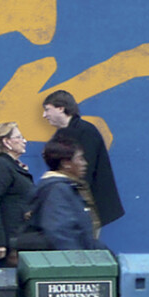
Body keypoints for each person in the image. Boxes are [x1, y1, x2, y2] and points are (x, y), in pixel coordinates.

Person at [41, 90, 124, 230]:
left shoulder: (86, 131)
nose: (44, 115)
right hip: (71, 208)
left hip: (85, 209)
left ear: (61, 108)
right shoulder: (65, 133)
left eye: (47, 110)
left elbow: (85, 173)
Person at [22, 135, 101, 252]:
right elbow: (59, 232)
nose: (84, 163)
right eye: (80, 158)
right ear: (65, 163)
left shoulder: (67, 187)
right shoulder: (57, 190)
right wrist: (79, 263)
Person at [0, 122, 35, 266]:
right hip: (12, 241)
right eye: (19, 137)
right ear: (6, 142)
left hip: (22, 238)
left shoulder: (13, 165)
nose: (24, 141)